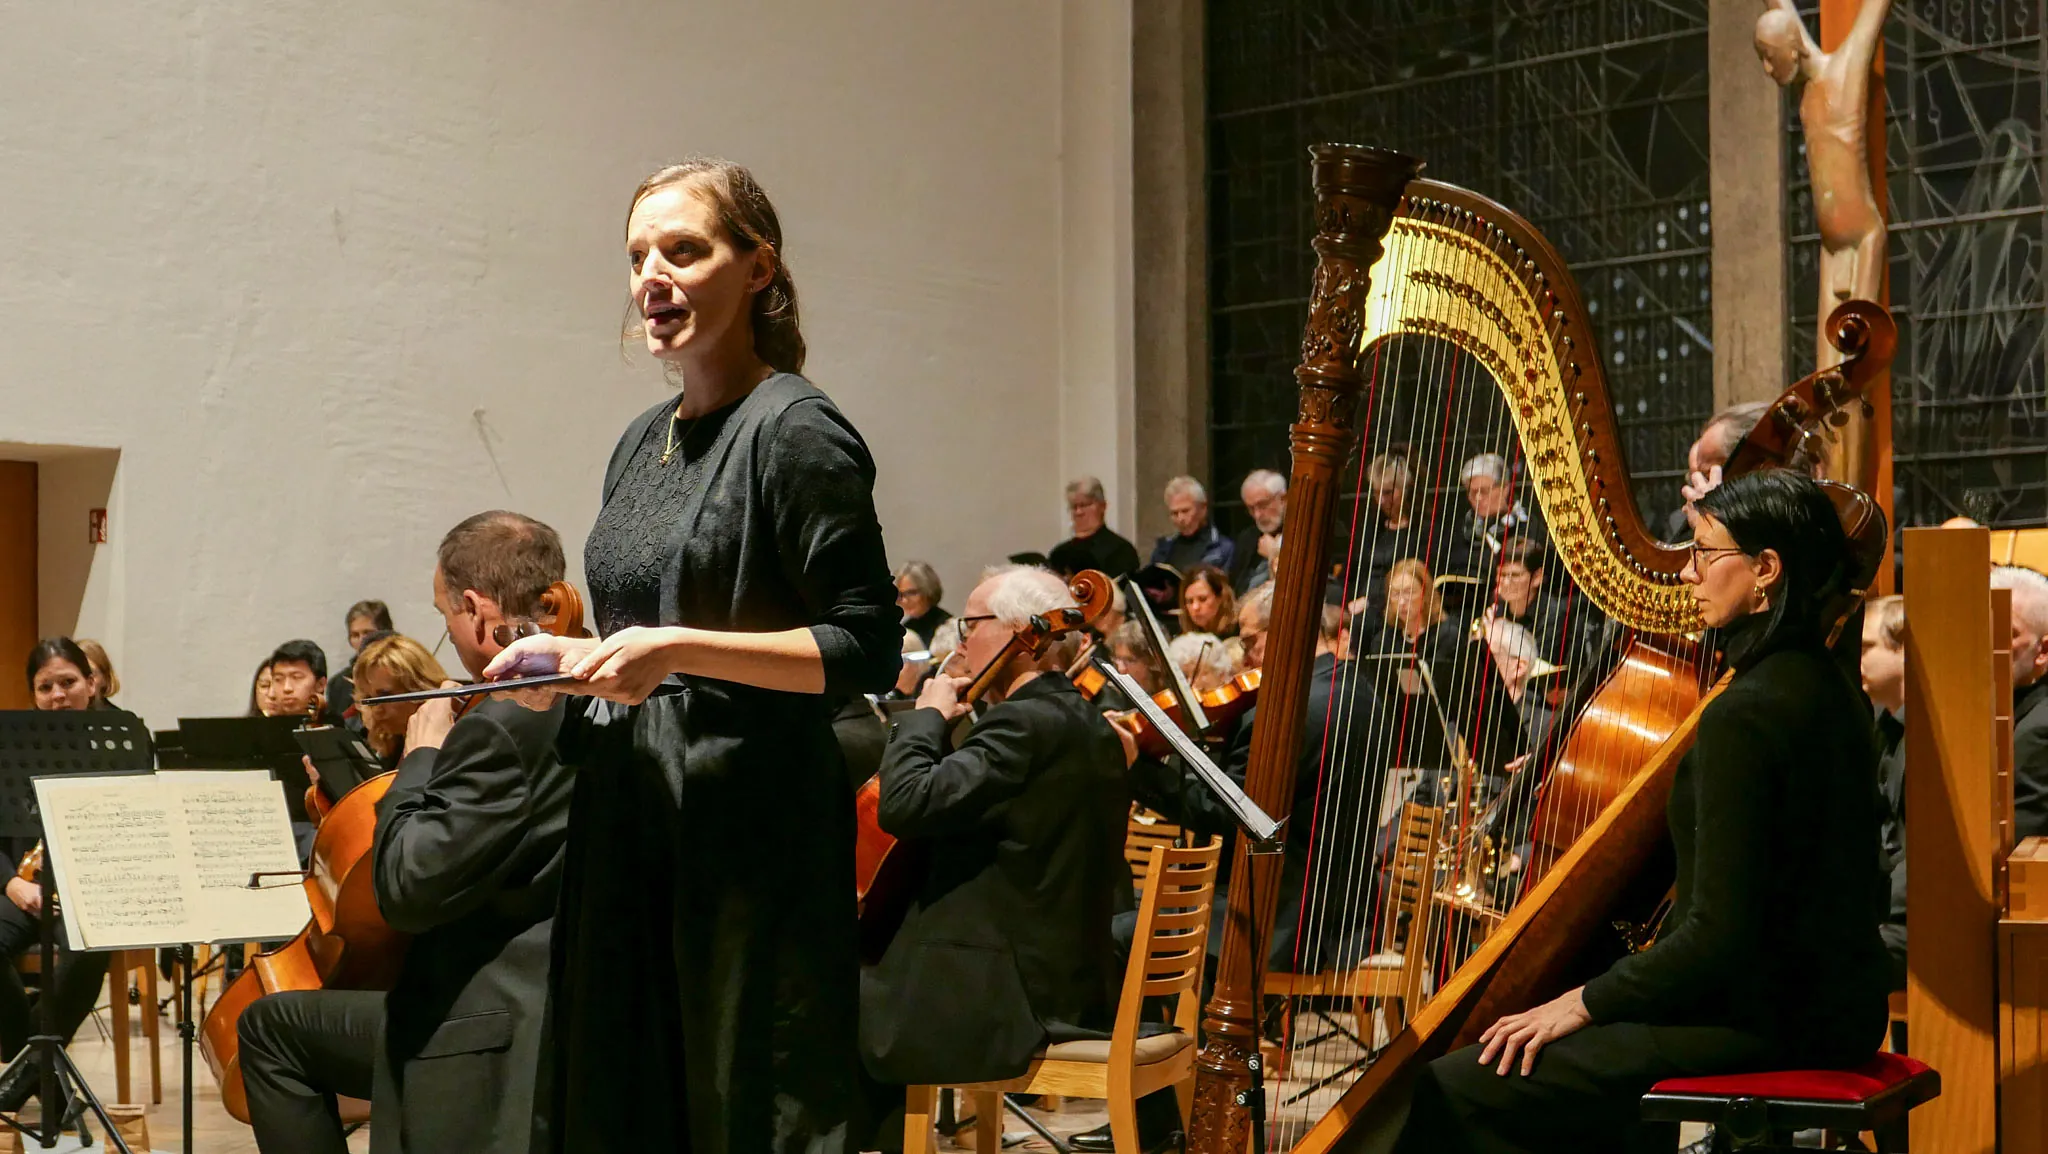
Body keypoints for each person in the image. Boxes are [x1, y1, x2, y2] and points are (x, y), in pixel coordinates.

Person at [483, 158, 900, 1154]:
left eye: (683, 250)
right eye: (637, 256)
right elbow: (643, 622)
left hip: (743, 824)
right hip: (630, 813)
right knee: (624, 1098)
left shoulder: (794, 428)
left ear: (757, 268)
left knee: (738, 1103)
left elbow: (866, 642)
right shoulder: (640, 439)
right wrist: (568, 664)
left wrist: (672, 652)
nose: (651, 277)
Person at [1393, 468, 1889, 1154]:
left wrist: (1583, 1000)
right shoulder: (1833, 689)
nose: (1687, 574)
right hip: (1840, 1004)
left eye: (1705, 553)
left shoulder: (1744, 714)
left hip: (1768, 1016)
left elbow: (1717, 935)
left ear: (1766, 569)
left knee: (1459, 1082)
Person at [235, 510, 574, 1154]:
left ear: (475, 610)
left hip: (494, 1017)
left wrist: (421, 754)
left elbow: (407, 890)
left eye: (445, 615)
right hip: (564, 989)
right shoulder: (589, 693)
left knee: (271, 1028)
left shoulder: (501, 722)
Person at [858, 566, 1129, 1096]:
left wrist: (925, 718)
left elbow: (904, 804)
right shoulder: (1089, 723)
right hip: (1069, 983)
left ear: (1018, 634)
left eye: (970, 625)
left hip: (1008, 999)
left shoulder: (1021, 725)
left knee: (830, 998)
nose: (961, 645)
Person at [0, 640, 128, 1107]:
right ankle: (34, 1068)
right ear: (33, 693)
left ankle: (25, 1069)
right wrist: (11, 884)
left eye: (68, 682)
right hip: (24, 883)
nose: (58, 695)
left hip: (91, 889)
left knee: (90, 948)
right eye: (45, 686)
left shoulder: (122, 742)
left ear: (91, 683)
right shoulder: (12, 746)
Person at [1860, 594, 1907, 990]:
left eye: (1867, 648)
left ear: (1904, 649)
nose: (1858, 661)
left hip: (1915, 923)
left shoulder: (1930, 734)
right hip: (1883, 908)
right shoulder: (1883, 724)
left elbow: (1924, 857)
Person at [1995, 565, 2048, 840]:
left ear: (2043, 650)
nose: (1986, 641)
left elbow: (2010, 847)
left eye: (2006, 632)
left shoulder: (2039, 731)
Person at [1665, 402, 1769, 539]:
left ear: (1759, 468)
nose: (1697, 492)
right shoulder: (1680, 524)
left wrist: (1709, 523)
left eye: (1707, 476)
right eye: (1693, 480)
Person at [350, 634, 452, 771]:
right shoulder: (392, 743)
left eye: (385, 695)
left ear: (418, 688)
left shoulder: (449, 743)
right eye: (370, 698)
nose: (376, 709)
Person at [1455, 454, 1544, 575]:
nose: (1478, 498)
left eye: (1484, 491)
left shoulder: (1532, 527)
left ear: (1505, 488)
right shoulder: (1461, 532)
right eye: (1472, 492)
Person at [1048, 476, 1141, 580]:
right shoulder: (1060, 553)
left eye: (1084, 505)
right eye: (1074, 507)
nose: (1078, 512)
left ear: (1102, 506)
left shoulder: (1121, 550)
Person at [1147, 475, 1235, 574]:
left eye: (1185, 511)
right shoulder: (1163, 549)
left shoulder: (1222, 549)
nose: (1180, 519)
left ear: (1202, 509)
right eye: (1174, 513)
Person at [329, 600, 397, 724]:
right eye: (355, 635)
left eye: (367, 633)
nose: (362, 641)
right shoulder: (338, 683)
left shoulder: (399, 673)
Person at [1230, 469, 1287, 592]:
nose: (1257, 515)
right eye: (1251, 508)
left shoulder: (1305, 532)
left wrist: (1274, 554)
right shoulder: (1247, 538)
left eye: (1263, 505)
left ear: (1283, 499)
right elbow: (1234, 587)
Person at [266, 640, 332, 722]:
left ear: (320, 684)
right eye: (278, 679)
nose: (287, 688)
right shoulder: (258, 729)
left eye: (296, 677)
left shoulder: (338, 729)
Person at [895, 561, 950, 648]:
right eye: (900, 595)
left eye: (911, 593)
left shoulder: (948, 627)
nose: (905, 600)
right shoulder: (904, 630)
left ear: (928, 591)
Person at [1179, 564, 1238, 639]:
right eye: (1190, 601)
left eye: (1202, 599)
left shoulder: (1239, 632)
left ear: (1220, 597)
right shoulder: (1187, 640)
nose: (1195, 607)